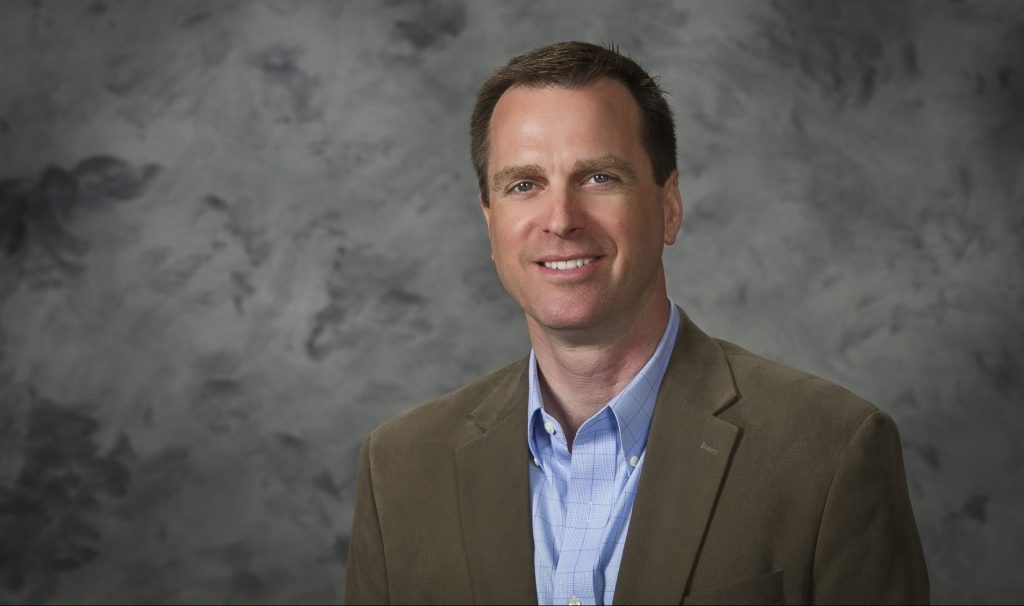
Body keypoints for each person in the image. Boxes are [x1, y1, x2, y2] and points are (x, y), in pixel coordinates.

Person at [345, 41, 929, 605]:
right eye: (524, 185)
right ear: (490, 222)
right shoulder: (398, 470)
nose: (561, 219)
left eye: (599, 177)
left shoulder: (829, 453)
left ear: (669, 205)